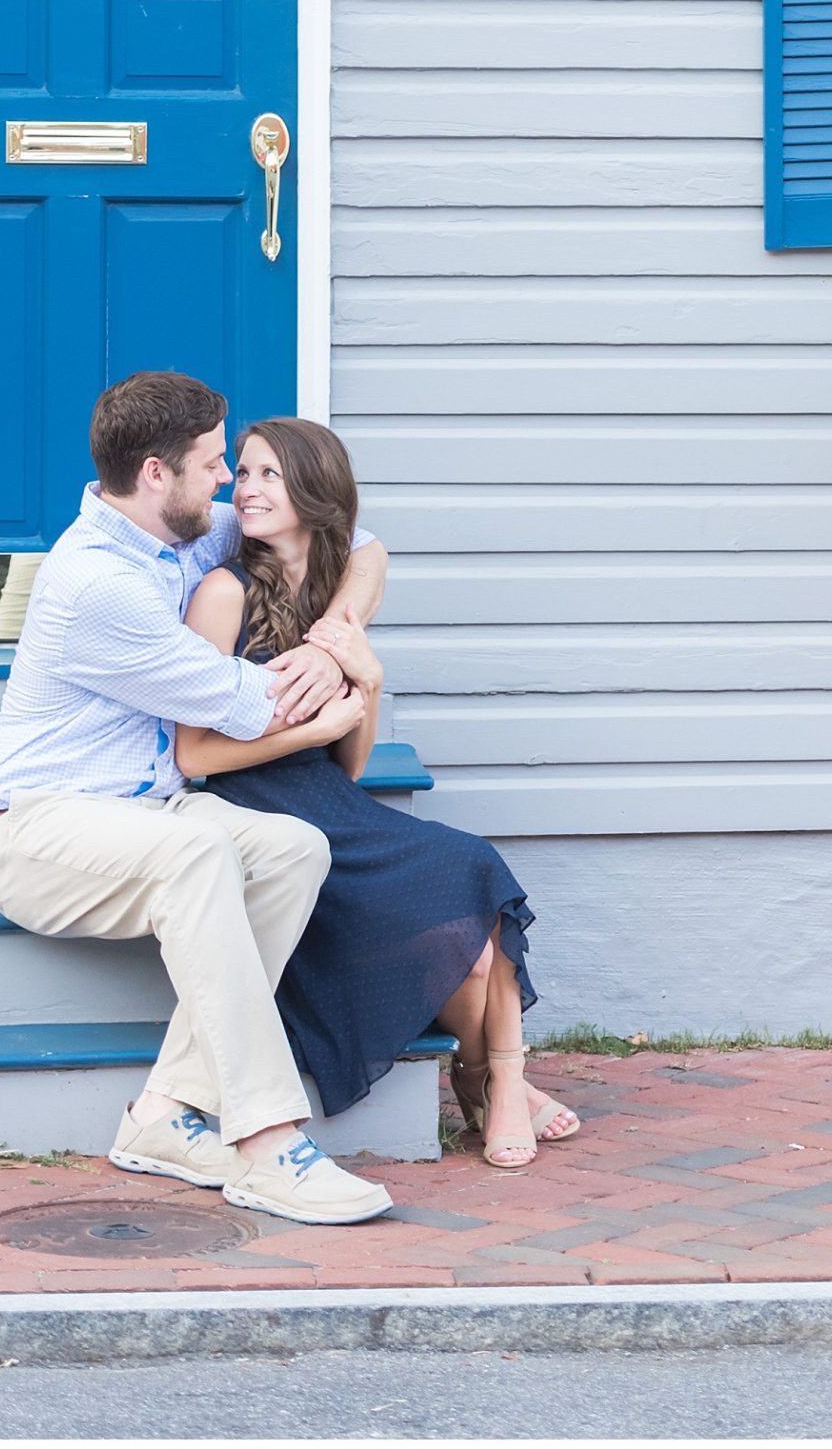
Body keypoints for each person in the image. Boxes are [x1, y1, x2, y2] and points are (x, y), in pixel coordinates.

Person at [0, 370, 396, 1226]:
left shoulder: (177, 535)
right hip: (40, 828)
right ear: (157, 474)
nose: (230, 486)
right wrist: (331, 700)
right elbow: (250, 704)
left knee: (293, 848)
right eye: (212, 465)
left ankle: (167, 1112)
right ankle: (271, 1139)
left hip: (146, 814)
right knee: (202, 849)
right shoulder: (98, 584)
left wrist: (329, 637)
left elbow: (362, 546)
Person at [178, 417, 581, 1170]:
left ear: (315, 489)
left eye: (268, 474)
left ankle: (492, 1076)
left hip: (333, 799)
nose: (247, 489)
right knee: (459, 934)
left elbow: (350, 763)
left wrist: (367, 679)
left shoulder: (333, 599)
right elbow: (195, 755)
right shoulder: (222, 593)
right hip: (258, 812)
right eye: (243, 472)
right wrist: (311, 728)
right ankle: (494, 1083)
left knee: (471, 873)